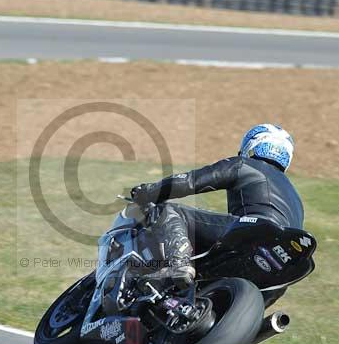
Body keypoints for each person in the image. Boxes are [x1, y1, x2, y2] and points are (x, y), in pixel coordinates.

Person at [129, 124, 304, 303]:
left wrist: (148, 192)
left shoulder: (244, 165)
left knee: (168, 211)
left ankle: (179, 263)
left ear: (251, 145)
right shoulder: (296, 199)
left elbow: (190, 182)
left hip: (251, 233)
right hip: (278, 272)